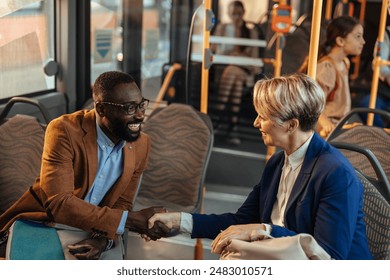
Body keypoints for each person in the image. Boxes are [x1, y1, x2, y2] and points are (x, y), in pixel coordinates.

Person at [148, 73, 373, 260]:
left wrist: (265, 230)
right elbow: (240, 222)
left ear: (291, 125)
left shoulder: (335, 173)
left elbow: (328, 255)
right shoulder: (277, 163)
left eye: (263, 116)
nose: (256, 123)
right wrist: (180, 220)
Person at [0, 71, 168, 260]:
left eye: (141, 105)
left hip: (92, 230)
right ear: (102, 109)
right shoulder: (63, 130)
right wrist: (131, 220)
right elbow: (59, 204)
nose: (139, 115)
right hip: (43, 222)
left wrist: (102, 240)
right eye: (129, 108)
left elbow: (122, 203)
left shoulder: (141, 144)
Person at [211, 0, 260, 145]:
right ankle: (233, 128)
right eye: (233, 14)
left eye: (239, 14)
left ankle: (218, 115)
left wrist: (238, 57)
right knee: (236, 83)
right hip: (226, 70)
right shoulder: (222, 28)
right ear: (228, 14)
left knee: (232, 72)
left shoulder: (251, 32)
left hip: (243, 70)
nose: (236, 17)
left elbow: (254, 58)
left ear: (243, 14)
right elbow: (213, 49)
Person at [314, 16, 365, 138]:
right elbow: (314, 104)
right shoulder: (327, 67)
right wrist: (326, 123)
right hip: (326, 128)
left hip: (340, 124)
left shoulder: (344, 63)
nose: (363, 41)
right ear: (340, 41)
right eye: (357, 36)